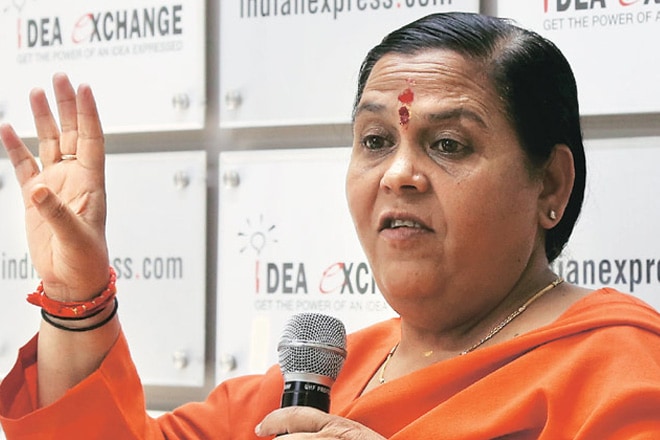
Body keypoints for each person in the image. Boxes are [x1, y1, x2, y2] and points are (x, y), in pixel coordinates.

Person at [1, 11, 659, 439]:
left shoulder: (619, 369)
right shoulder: (317, 377)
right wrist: (76, 295)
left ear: (551, 184)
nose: (399, 174)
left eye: (448, 145)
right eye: (376, 141)